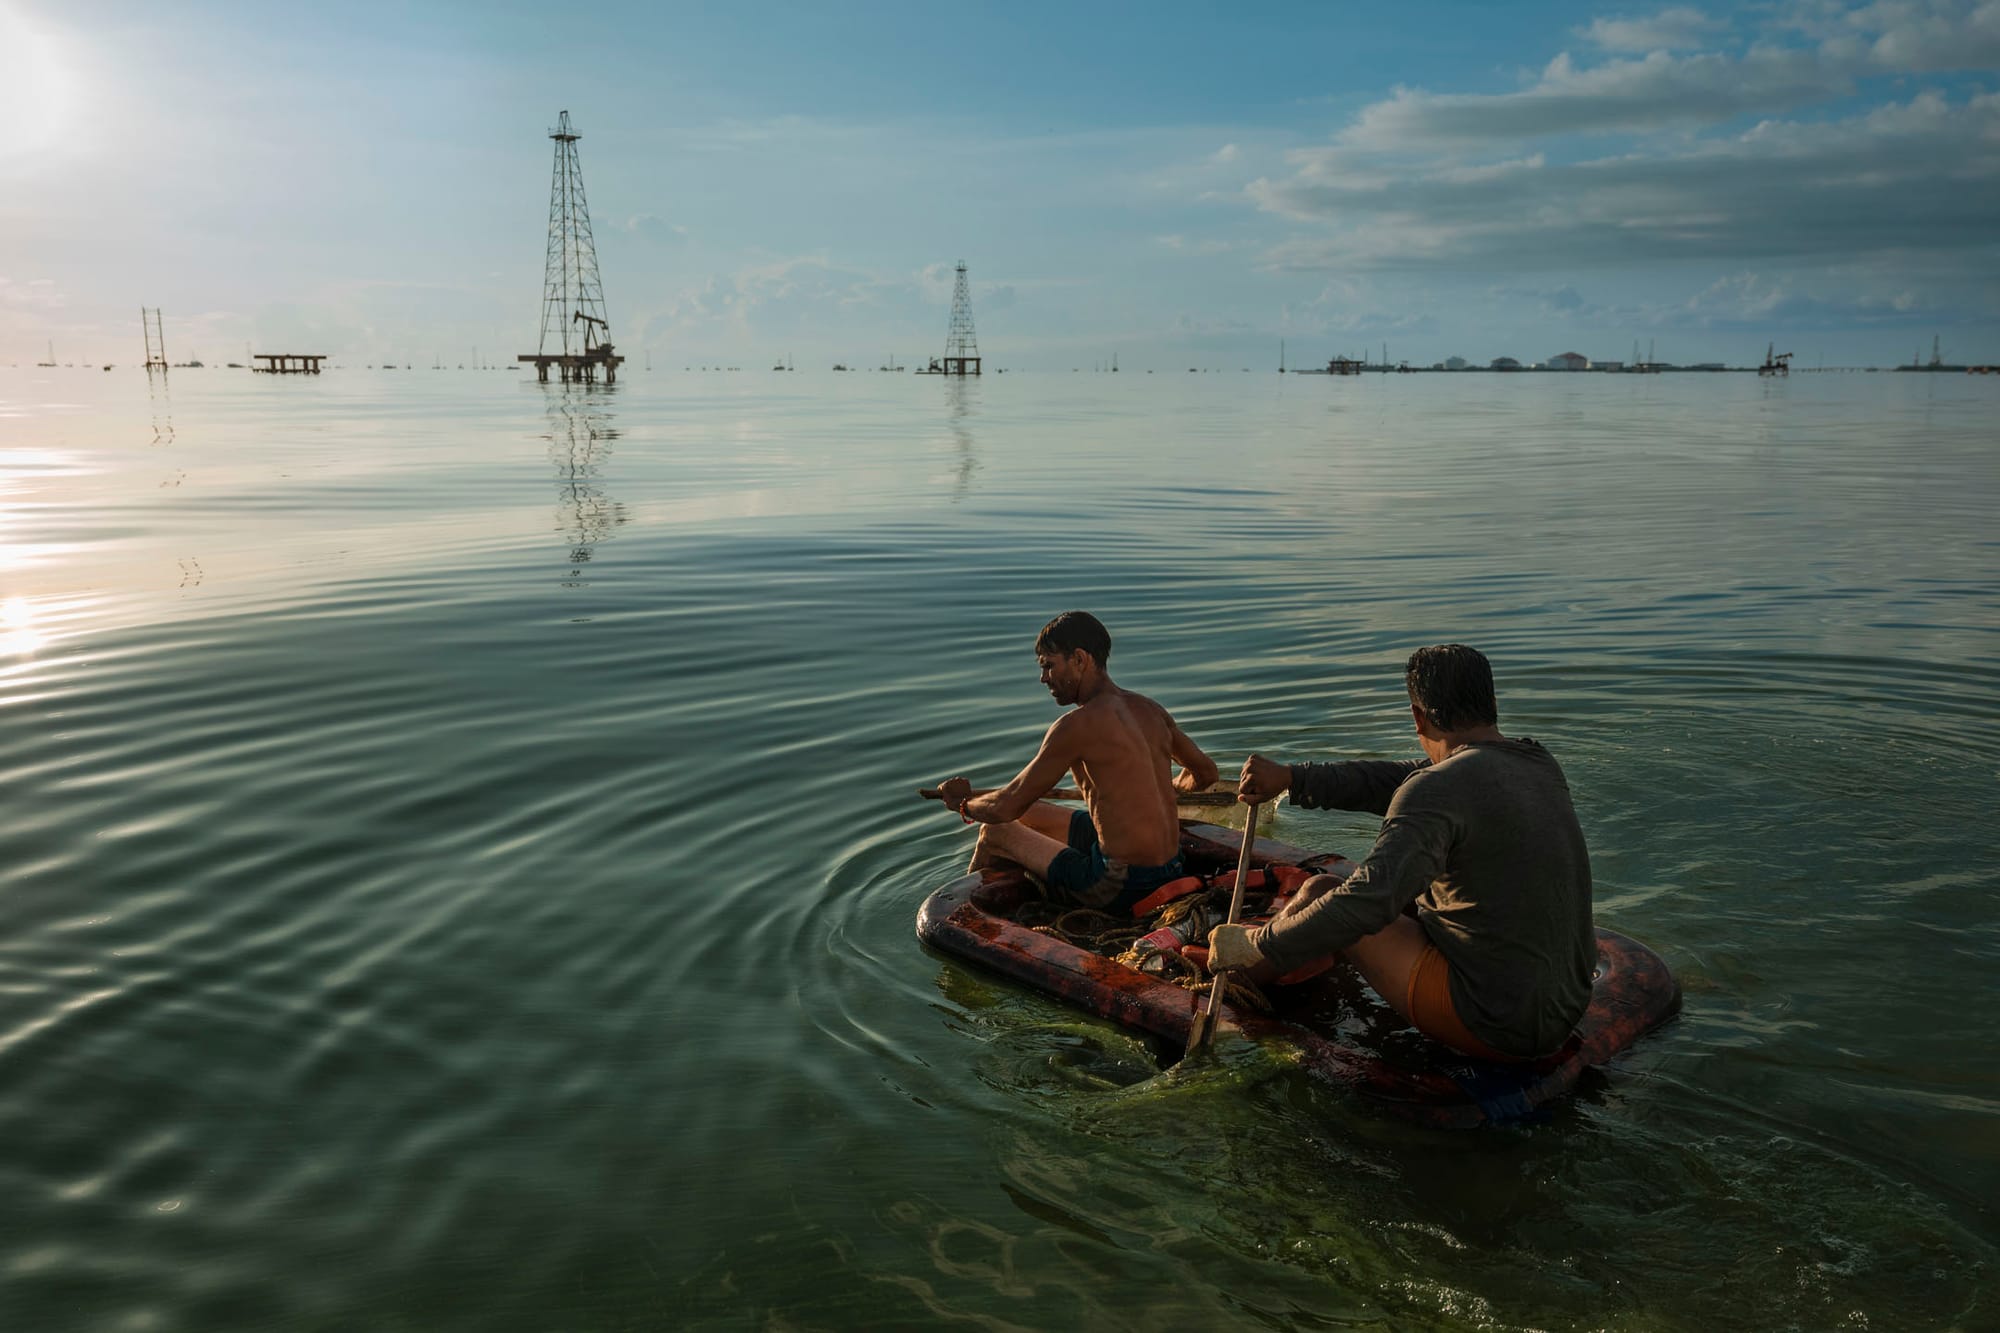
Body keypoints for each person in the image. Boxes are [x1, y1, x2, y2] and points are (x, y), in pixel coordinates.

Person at [1208, 644, 1594, 1063]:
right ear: (1493, 706)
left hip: (1497, 1024)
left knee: (1322, 891)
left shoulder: (1436, 787)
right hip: (1564, 1007)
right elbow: (1401, 779)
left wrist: (1256, 941)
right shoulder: (1537, 762)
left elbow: (1367, 904)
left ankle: (1233, 980)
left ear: (1418, 717)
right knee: (1398, 893)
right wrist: (1292, 779)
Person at [935, 611, 1219, 915]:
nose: (1043, 678)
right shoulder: (1151, 710)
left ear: (1080, 659)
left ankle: (965, 915)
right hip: (1173, 866)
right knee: (1030, 812)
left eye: (1048, 665)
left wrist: (963, 805)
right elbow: (1205, 773)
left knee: (996, 832)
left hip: (1121, 883)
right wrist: (1170, 788)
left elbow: (1005, 808)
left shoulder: (1074, 727)